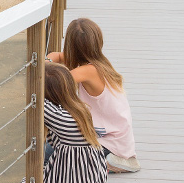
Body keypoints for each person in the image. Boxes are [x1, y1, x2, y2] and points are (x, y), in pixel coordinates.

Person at [13, 63, 109, 183]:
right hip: (88, 172)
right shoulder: (78, 108)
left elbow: (34, 98)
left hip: (73, 173)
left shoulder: (60, 117)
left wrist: (35, 71)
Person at [48, 18, 139, 173]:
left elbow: (56, 81)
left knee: (51, 155)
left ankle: (107, 164)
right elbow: (58, 55)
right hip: (118, 140)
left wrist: (44, 62)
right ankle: (107, 161)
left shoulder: (89, 71)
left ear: (71, 46)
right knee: (52, 151)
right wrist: (51, 59)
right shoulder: (99, 64)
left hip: (110, 144)